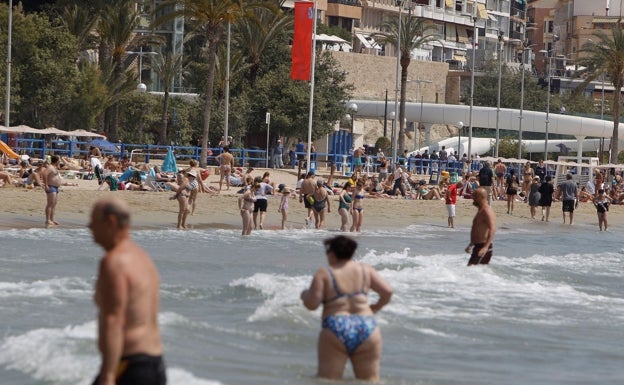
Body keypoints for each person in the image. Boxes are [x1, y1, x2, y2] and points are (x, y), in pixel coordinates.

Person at [89, 197, 165, 385]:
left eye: (94, 220)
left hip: (130, 367)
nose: (89, 226)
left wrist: (108, 375)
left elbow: (114, 319)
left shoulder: (114, 262)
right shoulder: (143, 258)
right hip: (154, 365)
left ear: (111, 222)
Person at [300, 235, 393, 381]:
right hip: (366, 325)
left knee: (328, 380)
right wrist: (375, 307)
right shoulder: (365, 270)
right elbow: (387, 291)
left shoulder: (324, 273)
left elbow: (312, 304)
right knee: (370, 381)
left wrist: (304, 295)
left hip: (336, 326)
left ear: (332, 253)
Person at [466, 188, 496, 266]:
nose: (473, 197)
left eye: (475, 196)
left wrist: (486, 247)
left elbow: (492, 229)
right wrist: (471, 244)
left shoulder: (486, 211)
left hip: (483, 247)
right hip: (477, 246)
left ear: (482, 197)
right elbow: (478, 229)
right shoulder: (480, 210)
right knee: (472, 272)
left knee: (471, 272)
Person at [43, 155, 62, 227]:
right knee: (50, 203)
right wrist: (46, 185)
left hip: (56, 187)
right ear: (56, 161)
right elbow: (45, 174)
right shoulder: (50, 167)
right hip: (51, 187)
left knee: (54, 204)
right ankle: (47, 220)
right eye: (59, 160)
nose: (59, 161)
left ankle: (52, 219)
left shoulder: (54, 167)